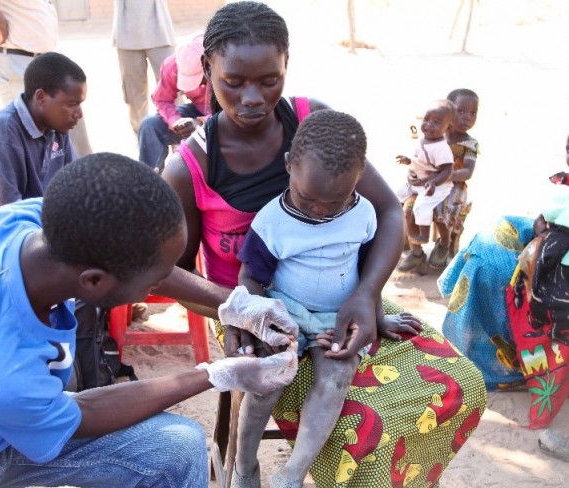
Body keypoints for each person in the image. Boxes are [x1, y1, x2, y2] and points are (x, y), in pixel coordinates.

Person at [161, 2, 486, 486]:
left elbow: (388, 212)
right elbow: (172, 272)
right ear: (207, 68)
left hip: (345, 296)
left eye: (269, 80)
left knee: (459, 384)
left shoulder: (317, 125)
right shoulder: (189, 167)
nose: (252, 97)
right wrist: (240, 314)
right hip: (244, 310)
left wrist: (367, 294)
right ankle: (253, 466)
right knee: (362, 420)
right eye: (234, 81)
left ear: (287, 64)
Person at [0, 153, 299, 487]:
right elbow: (85, 413)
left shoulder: (22, 225)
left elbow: (132, 255)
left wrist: (235, 303)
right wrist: (216, 374)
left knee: (173, 449)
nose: (163, 285)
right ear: (95, 283)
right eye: (155, 278)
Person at [233, 110, 414, 487]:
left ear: (359, 177)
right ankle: (245, 465)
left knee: (336, 377)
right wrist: (262, 320)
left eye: (334, 202)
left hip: (338, 314)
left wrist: (378, 319)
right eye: (308, 197)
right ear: (289, 167)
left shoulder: (364, 213)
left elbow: (368, 278)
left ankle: (292, 475)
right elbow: (251, 277)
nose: (320, 209)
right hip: (284, 310)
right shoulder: (272, 221)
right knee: (268, 376)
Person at [439, 133, 569, 462]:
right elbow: (544, 224)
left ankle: (507, 362)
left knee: (498, 270)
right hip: (546, 257)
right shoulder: (560, 190)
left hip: (548, 269)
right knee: (490, 251)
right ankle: (490, 357)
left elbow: (546, 240)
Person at [0, 52, 83, 227]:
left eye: (80, 103)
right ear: (41, 97)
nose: (79, 113)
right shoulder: (1, 134)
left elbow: (75, 187)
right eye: (72, 104)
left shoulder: (57, 127)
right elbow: (8, 217)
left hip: (38, 226)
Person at [0, 0, 92, 157]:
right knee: (36, 144)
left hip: (41, 60)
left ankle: (83, 179)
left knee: (68, 137)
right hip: (15, 58)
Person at [402, 88, 481, 269]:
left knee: (441, 210)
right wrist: (413, 172)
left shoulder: (470, 144)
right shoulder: (434, 135)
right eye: (461, 111)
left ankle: (444, 244)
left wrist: (442, 176)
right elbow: (418, 160)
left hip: (454, 187)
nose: (467, 117)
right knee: (408, 207)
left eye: (473, 113)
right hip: (426, 183)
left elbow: (468, 171)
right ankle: (416, 251)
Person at [396, 99, 455, 272]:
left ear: (447, 128)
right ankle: (410, 245)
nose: (429, 125)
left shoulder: (441, 148)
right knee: (397, 196)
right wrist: (408, 160)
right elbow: (418, 158)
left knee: (421, 207)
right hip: (416, 181)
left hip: (436, 187)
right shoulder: (424, 139)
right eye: (427, 119)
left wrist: (433, 183)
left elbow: (447, 170)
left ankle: (423, 234)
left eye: (436, 123)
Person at [138, 34, 209, 172]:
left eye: (198, 79)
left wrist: (201, 122)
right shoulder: (172, 66)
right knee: (150, 125)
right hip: (199, 111)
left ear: (208, 66)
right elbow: (162, 99)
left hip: (223, 119)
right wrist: (175, 121)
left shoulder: (226, 67)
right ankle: (148, 182)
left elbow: (232, 113)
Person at [112, 0, 176, 137]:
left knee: (172, 86)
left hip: (160, 29)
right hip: (126, 32)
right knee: (134, 95)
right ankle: (142, 139)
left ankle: (178, 141)